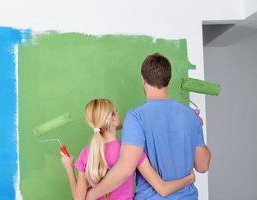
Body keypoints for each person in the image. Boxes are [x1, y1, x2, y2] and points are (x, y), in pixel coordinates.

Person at [86, 53, 211, 200]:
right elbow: (202, 166)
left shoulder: (136, 117)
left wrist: (93, 193)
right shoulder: (191, 116)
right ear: (168, 80)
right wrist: (196, 125)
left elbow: (126, 168)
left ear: (143, 79)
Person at [61, 99, 195, 200]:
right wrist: (190, 178)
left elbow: (79, 198)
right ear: (112, 118)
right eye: (116, 111)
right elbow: (163, 189)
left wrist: (68, 167)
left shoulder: (86, 154)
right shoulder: (131, 150)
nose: (119, 115)